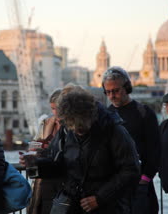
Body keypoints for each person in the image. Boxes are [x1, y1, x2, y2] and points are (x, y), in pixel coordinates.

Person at [23, 85, 140, 213]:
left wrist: (100, 198)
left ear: (89, 116)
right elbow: (59, 164)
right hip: (73, 203)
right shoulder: (67, 130)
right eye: (72, 127)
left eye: (79, 126)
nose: (76, 131)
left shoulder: (114, 131)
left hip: (107, 207)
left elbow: (130, 170)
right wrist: (36, 165)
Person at [101, 66, 160, 214]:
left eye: (116, 91)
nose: (112, 96)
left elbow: (155, 149)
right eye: (108, 92)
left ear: (126, 88)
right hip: (115, 184)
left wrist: (145, 178)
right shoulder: (105, 115)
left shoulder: (144, 112)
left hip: (140, 184)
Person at [28, 88, 64, 214]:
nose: (55, 112)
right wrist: (36, 148)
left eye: (58, 108)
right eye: (53, 108)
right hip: (44, 179)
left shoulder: (72, 125)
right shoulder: (46, 123)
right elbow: (33, 143)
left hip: (63, 180)